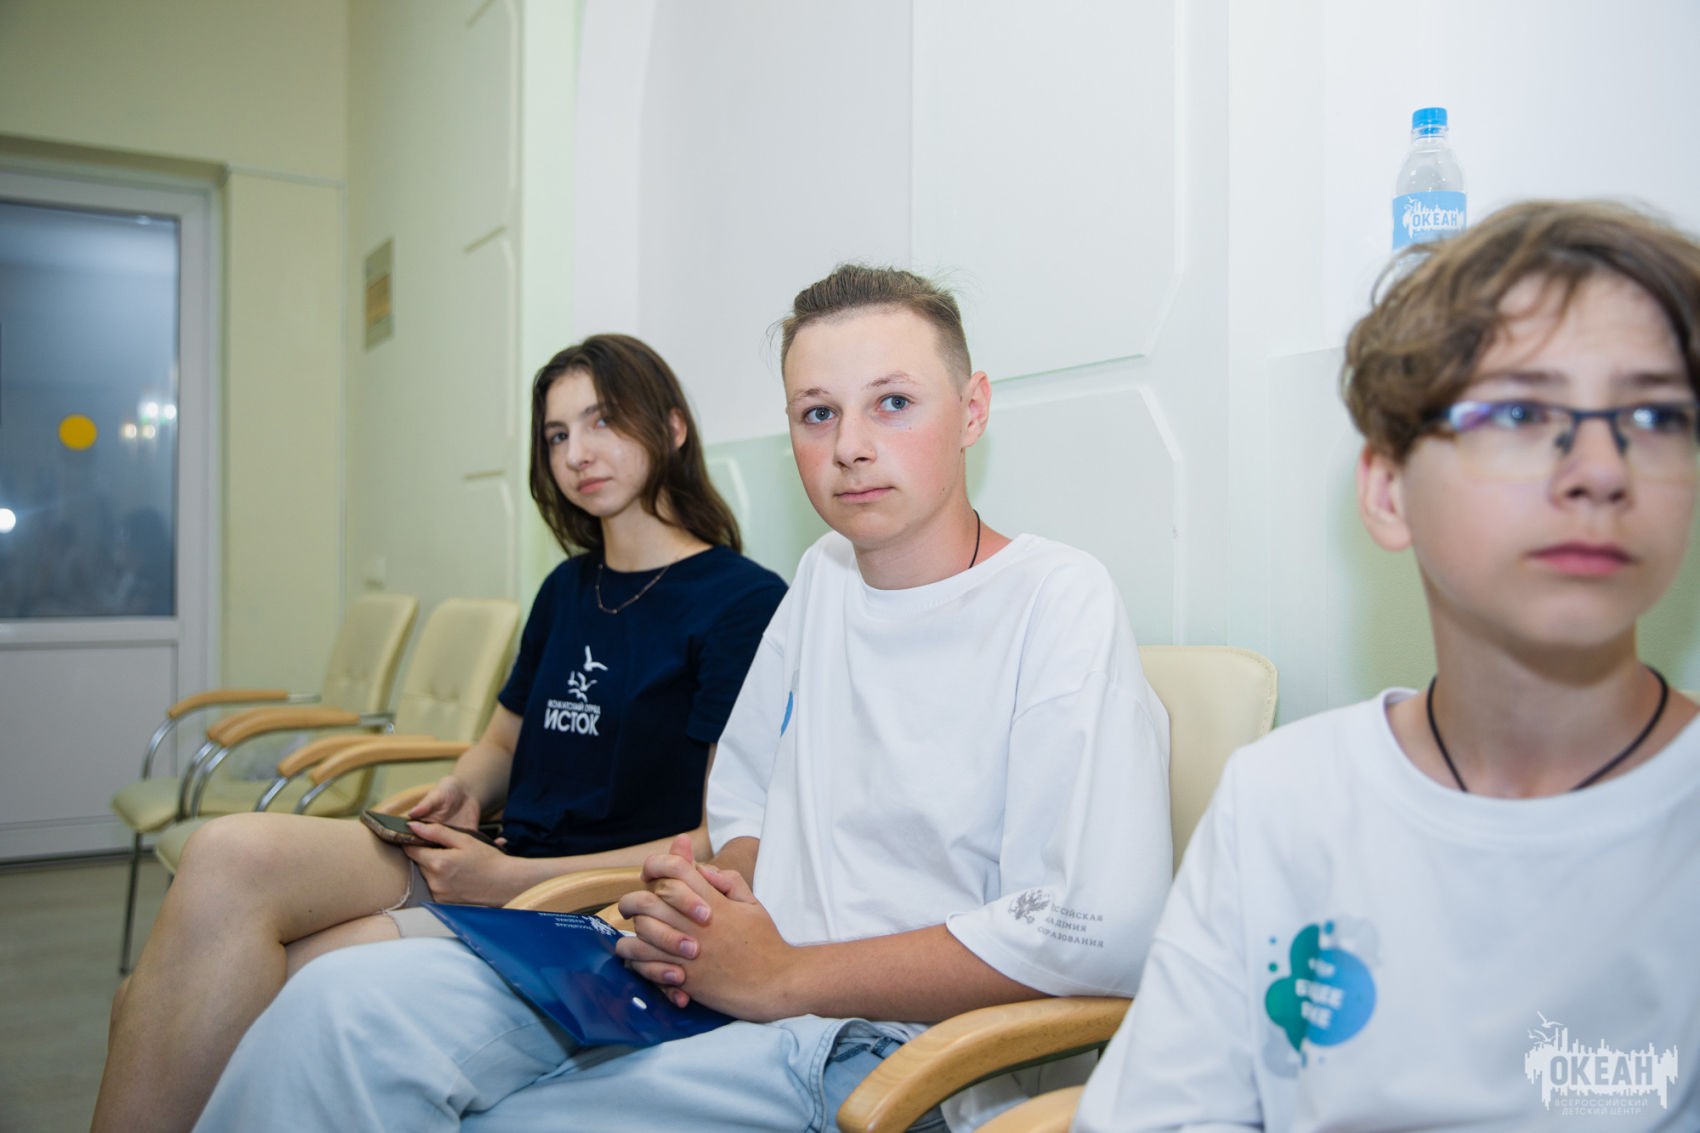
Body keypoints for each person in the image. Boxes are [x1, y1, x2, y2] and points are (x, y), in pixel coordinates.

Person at [188, 264, 1174, 1132]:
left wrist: (781, 972)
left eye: (893, 403)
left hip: (882, 1046)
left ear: (972, 409)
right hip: (725, 982)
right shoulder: (823, 581)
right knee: (334, 1008)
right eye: (817, 413)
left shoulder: (1055, 599)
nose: (850, 445)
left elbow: (1093, 929)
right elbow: (741, 807)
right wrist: (715, 902)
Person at [1074, 200, 1700, 1131]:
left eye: (1654, 415)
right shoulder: (1283, 800)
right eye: (1522, 412)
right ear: (1389, 490)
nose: (1604, 470)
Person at [93, 334, 786, 1133]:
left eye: (602, 421)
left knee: (200, 999)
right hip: (493, 858)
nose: (577, 453)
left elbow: (714, 838)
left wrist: (509, 878)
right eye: (556, 434)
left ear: (672, 428)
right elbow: (502, 746)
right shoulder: (567, 587)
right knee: (225, 856)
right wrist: (463, 787)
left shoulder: (740, 603)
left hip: (591, 903)